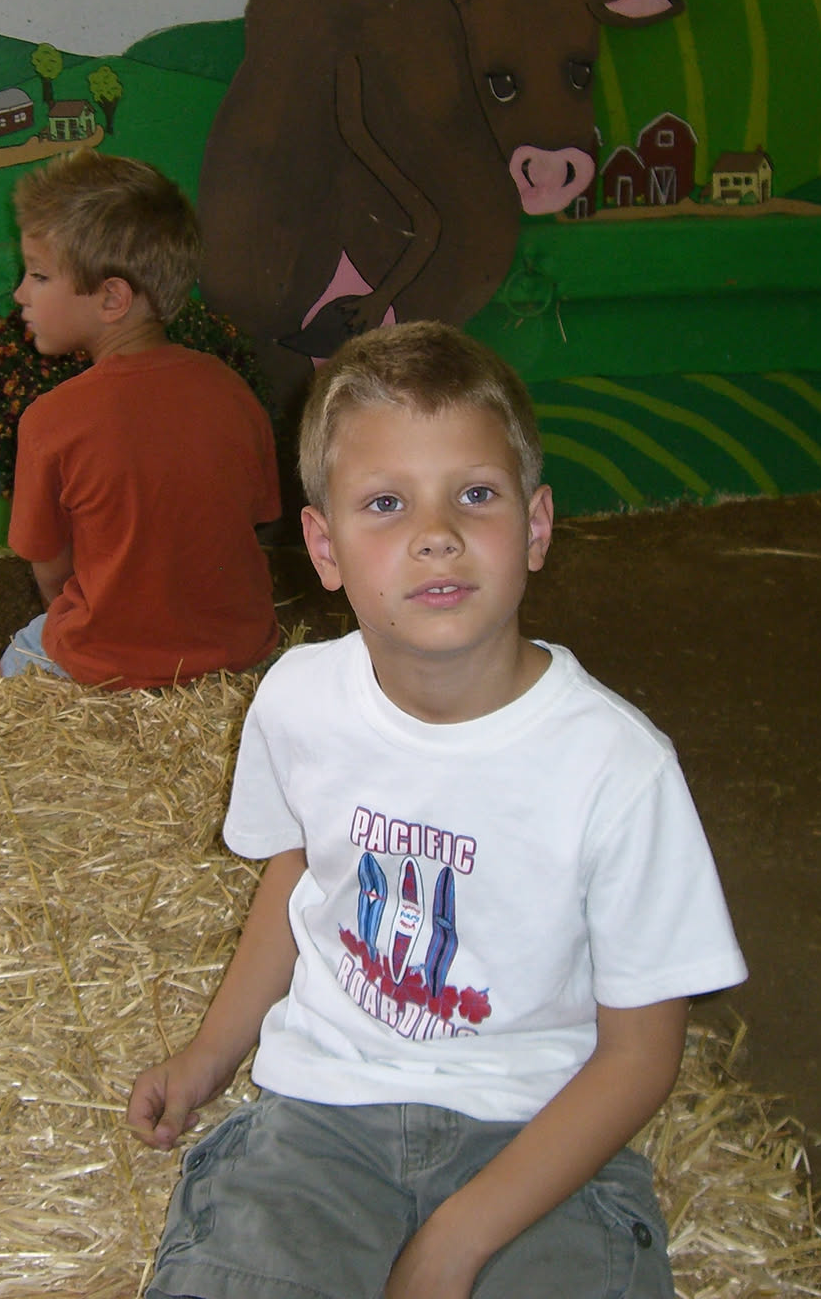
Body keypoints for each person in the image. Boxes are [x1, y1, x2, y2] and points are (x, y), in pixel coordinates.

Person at [126, 322, 748, 1299]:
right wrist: (210, 1057)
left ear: (536, 527)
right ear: (324, 547)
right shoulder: (299, 701)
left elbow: (640, 1056)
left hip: (538, 1135)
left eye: (476, 495)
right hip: (320, 1120)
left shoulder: (617, 768)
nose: (436, 534)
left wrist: (459, 1238)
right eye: (386, 503)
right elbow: (301, 871)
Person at [0, 150, 282, 689]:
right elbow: (255, 518)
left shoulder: (50, 420)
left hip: (105, 664)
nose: (20, 294)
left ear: (112, 298)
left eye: (38, 275)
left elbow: (51, 570)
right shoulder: (232, 391)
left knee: (14, 662)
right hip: (238, 654)